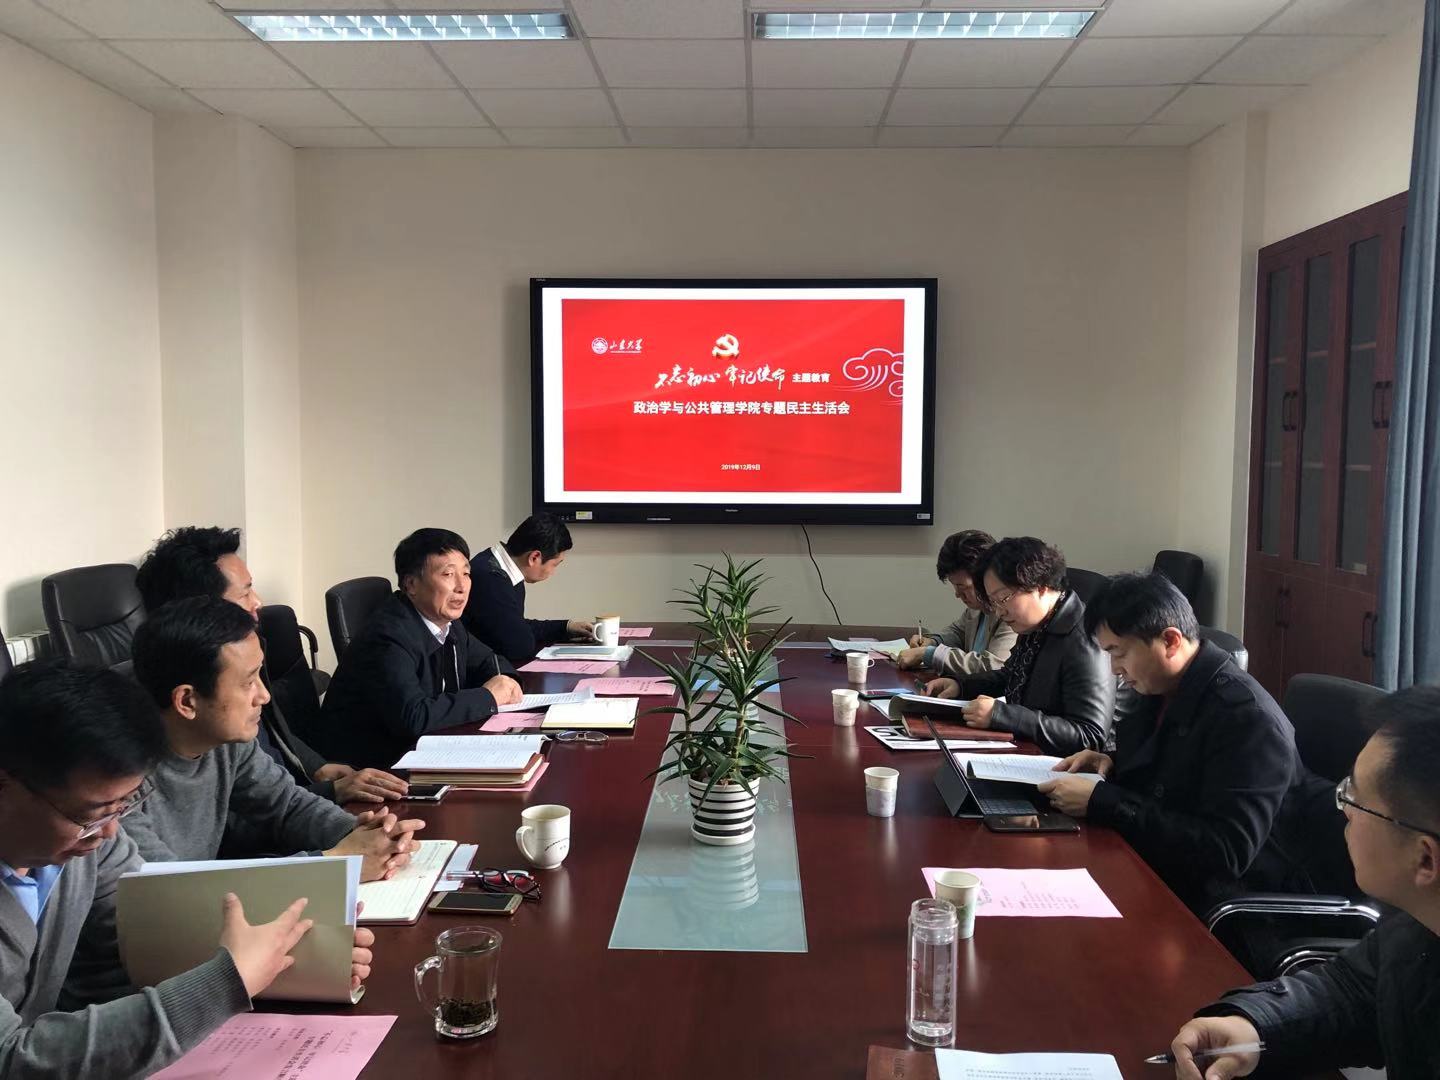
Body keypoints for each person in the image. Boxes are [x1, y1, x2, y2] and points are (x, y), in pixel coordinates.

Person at [0, 661, 373, 1077]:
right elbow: (12, 1058)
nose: (109, 832)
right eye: (91, 814)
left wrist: (296, 955)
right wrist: (226, 981)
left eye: (122, 808)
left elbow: (150, 932)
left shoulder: (89, 843)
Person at [1167, 686, 1440, 1080]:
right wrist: (1253, 1025)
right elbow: (1353, 990)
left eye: (1355, 799)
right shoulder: (1415, 923)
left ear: (1425, 858)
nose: (1342, 809)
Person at [1036, 572, 1323, 913]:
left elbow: (1225, 852)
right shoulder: (1160, 687)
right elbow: (1171, 770)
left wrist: (1104, 800)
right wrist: (1111, 761)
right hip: (1154, 867)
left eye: (1119, 653)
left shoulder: (1246, 719)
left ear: (1170, 641)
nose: (1114, 669)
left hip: (1222, 905)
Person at [126, 597, 422, 882]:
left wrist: (367, 835)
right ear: (187, 701)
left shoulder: (227, 742)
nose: (264, 696)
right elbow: (168, 888)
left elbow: (287, 805)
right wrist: (336, 860)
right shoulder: (119, 781)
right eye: (248, 682)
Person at [136, 526, 407, 805]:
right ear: (201, 610)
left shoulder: (246, 651)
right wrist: (330, 792)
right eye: (244, 594)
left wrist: (317, 767)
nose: (258, 602)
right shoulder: (198, 718)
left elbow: (275, 729)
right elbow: (247, 813)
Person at [315, 528, 524, 769]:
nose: (462, 586)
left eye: (466, 574)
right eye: (448, 574)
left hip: (423, 750)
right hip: (370, 768)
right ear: (411, 584)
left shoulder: (447, 622)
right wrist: (488, 697)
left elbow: (488, 659)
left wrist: (506, 680)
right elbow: (412, 717)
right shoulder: (387, 637)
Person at [923, 536, 1114, 755]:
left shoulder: (1084, 639)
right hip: (1033, 753)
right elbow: (1009, 676)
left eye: (1003, 598)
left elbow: (1090, 736)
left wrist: (1002, 715)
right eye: (993, 602)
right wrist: (961, 686)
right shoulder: (1037, 625)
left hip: (1073, 769)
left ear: (1040, 587)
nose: (999, 612)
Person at [462, 513, 594, 664]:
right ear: (534, 557)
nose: (553, 572)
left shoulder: (501, 567)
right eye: (555, 565)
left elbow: (516, 625)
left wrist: (565, 627)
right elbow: (519, 645)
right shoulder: (491, 578)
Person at [897, 529, 1017, 675]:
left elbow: (993, 666)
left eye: (963, 587)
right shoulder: (976, 608)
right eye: (955, 586)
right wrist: (932, 642)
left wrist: (929, 654)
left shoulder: (1010, 614)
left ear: (985, 577)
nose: (957, 594)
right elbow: (958, 633)